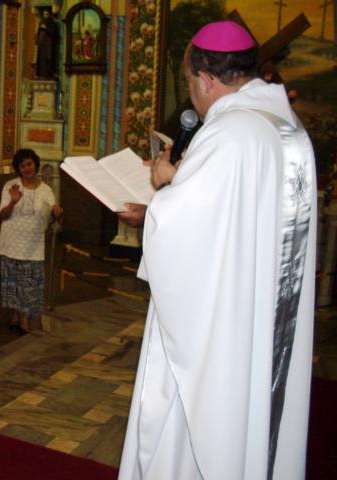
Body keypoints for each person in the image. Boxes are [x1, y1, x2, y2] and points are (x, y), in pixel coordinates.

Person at [118, 21, 316, 480]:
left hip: (220, 327)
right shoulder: (288, 129)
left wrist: (162, 190)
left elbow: (186, 233)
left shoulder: (227, 133)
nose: (193, 97)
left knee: (193, 435)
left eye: (190, 85)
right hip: (263, 316)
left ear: (206, 79)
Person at [0, 149, 62, 334]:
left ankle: (25, 319)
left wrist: (56, 213)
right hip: (11, 242)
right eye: (22, 165)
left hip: (33, 246)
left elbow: (52, 218)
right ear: (18, 168)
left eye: (29, 164)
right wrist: (13, 202)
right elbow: (2, 214)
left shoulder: (46, 190)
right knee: (13, 282)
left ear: (35, 164)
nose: (27, 168)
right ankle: (15, 316)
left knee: (29, 284)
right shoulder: (11, 186)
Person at [35, 8, 59, 79]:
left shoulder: (52, 22)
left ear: (49, 15)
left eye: (46, 14)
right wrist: (37, 39)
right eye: (44, 14)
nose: (45, 16)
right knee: (40, 59)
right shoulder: (41, 21)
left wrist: (45, 28)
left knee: (48, 59)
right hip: (41, 44)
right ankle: (40, 74)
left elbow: (53, 33)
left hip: (48, 44)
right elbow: (39, 31)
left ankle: (48, 75)